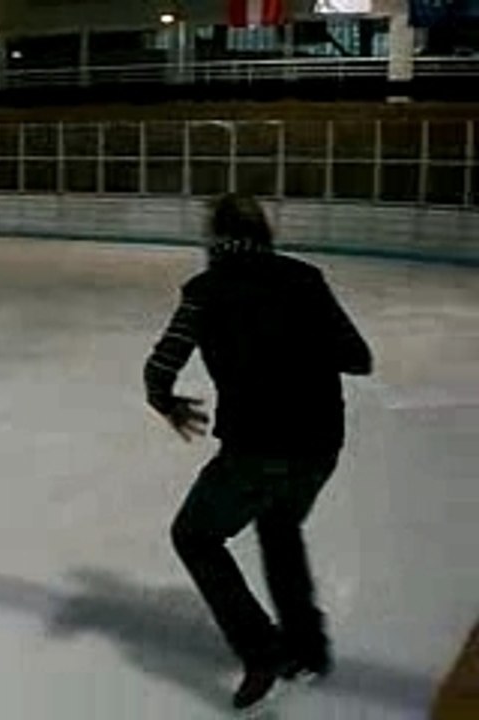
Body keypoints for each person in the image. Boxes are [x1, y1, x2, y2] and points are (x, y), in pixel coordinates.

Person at [143, 193, 372, 711]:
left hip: (254, 451)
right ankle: (308, 648)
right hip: (318, 449)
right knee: (280, 525)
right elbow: (358, 358)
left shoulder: (203, 294)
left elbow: (159, 369)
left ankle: (261, 648)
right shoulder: (305, 279)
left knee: (196, 536)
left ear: (214, 242)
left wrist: (169, 405)